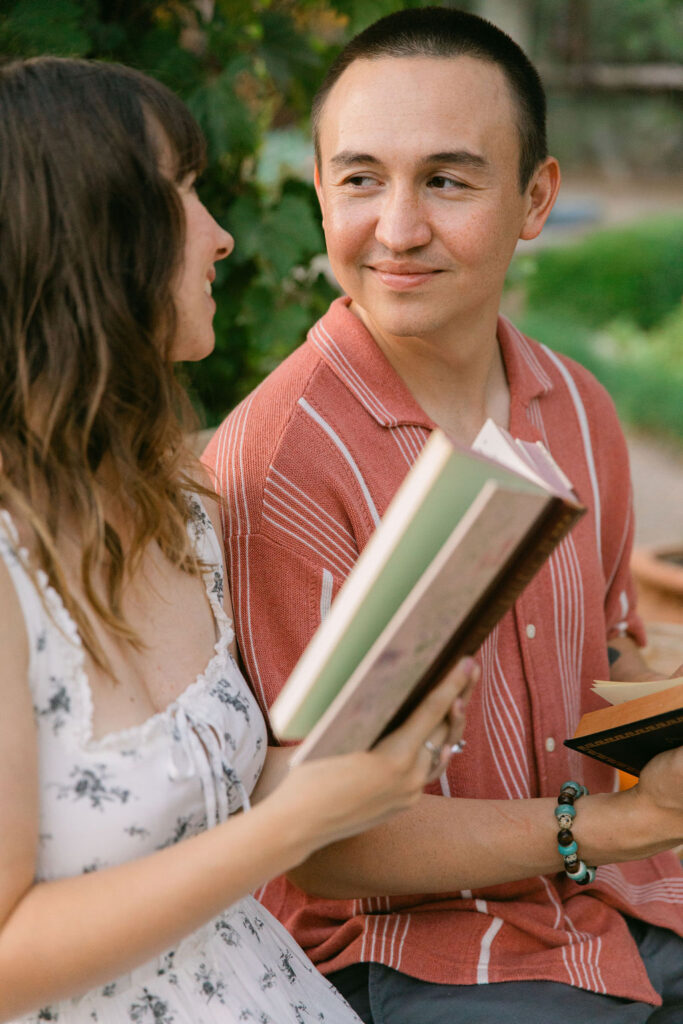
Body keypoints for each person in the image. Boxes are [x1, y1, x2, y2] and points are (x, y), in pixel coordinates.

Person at [202, 8, 683, 1023]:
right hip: (410, 950)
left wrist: (659, 698)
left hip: (617, 901)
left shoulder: (578, 405)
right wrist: (606, 824)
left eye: (448, 180)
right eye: (360, 178)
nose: (397, 228)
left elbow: (609, 662)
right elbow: (325, 848)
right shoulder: (279, 461)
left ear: (534, 198)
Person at [0, 55, 477, 1024]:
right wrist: (300, 822)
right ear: (92, 236)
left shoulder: (174, 505)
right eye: (181, 191)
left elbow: (225, 805)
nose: (219, 237)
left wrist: (373, 728)